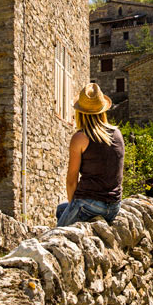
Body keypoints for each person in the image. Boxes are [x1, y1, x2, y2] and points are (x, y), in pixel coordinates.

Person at [56, 83, 124, 228]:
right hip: (114, 207)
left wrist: (73, 206)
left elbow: (71, 180)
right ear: (102, 110)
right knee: (60, 210)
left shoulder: (80, 137)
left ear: (79, 112)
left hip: (90, 204)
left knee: (52, 241)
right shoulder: (117, 133)